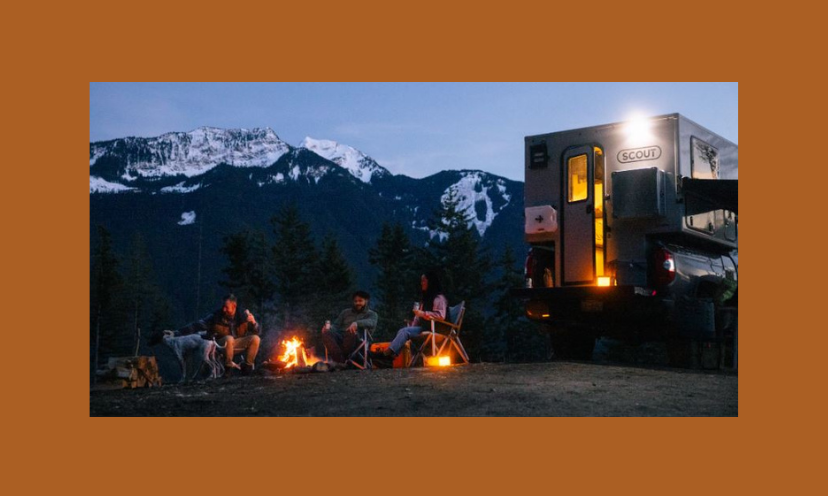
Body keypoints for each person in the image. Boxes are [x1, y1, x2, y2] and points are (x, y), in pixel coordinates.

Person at [179, 294, 260, 376]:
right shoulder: (216, 316)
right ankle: (228, 369)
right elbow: (198, 325)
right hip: (220, 345)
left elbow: (257, 331)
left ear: (234, 306)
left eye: (227, 307)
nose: (224, 309)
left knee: (255, 339)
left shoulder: (243, 316)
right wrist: (178, 332)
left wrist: (254, 323)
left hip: (235, 344)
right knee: (229, 338)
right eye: (223, 307)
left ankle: (247, 368)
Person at [381, 271, 447, 359]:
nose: (421, 283)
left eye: (424, 281)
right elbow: (419, 317)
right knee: (403, 331)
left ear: (430, 282)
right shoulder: (426, 299)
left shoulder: (439, 298)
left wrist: (423, 313)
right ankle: (390, 356)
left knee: (405, 332)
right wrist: (414, 322)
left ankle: (387, 354)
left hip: (438, 330)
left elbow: (441, 316)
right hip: (426, 328)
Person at [321, 290, 378, 365]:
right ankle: (340, 361)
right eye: (355, 301)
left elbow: (371, 322)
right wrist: (329, 328)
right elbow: (336, 325)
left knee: (351, 332)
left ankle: (339, 361)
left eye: (360, 301)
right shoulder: (345, 312)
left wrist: (356, 323)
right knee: (326, 333)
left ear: (366, 301)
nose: (357, 303)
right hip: (341, 337)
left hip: (359, 339)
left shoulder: (371, 314)